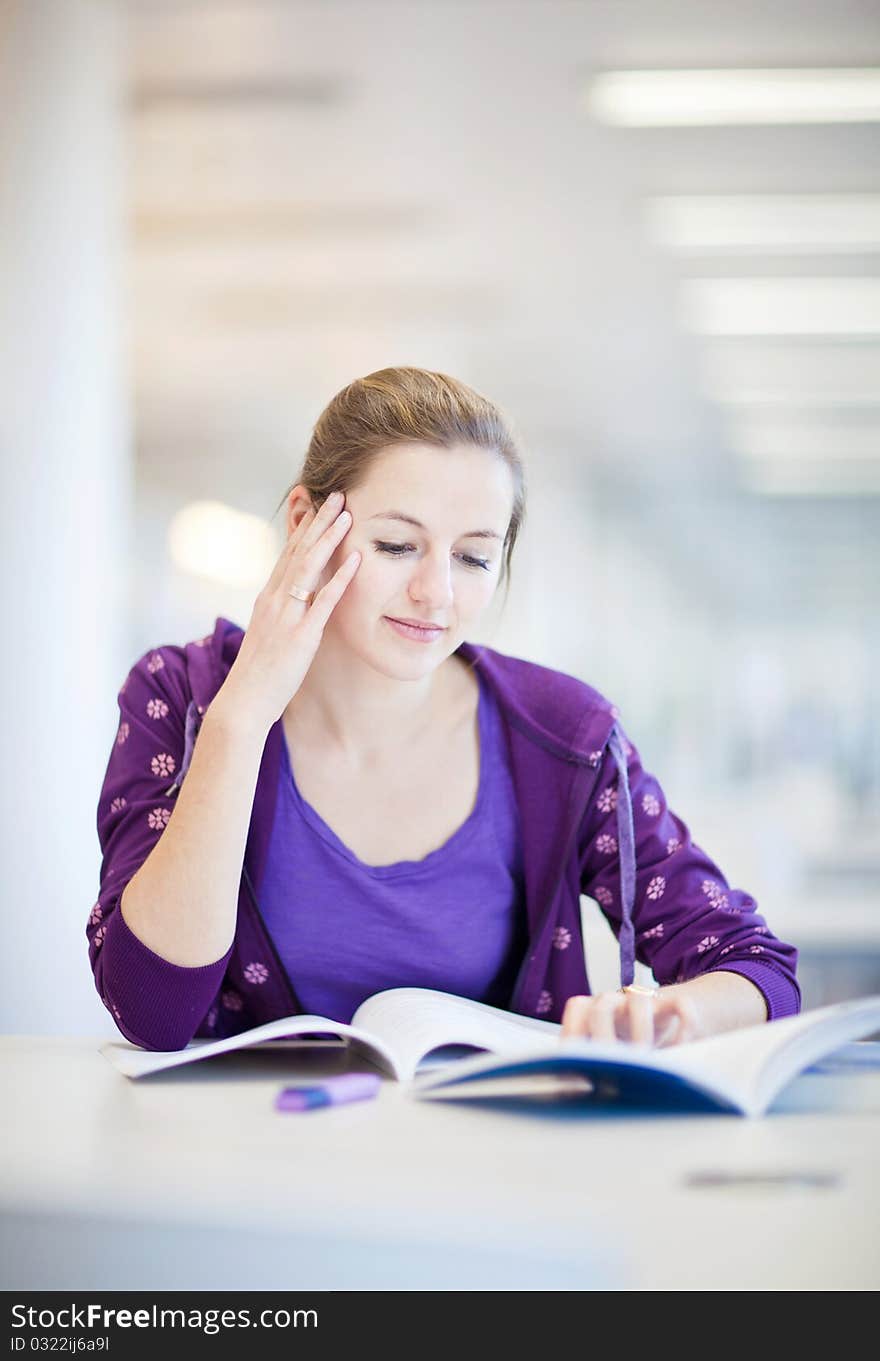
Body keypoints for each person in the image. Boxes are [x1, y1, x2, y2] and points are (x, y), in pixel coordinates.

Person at [88, 366, 799, 1053]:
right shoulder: (183, 696)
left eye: (474, 558)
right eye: (397, 545)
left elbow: (757, 966)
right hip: (237, 1165)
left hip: (483, 1168)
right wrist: (241, 718)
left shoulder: (564, 738)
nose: (437, 593)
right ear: (305, 521)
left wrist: (671, 1013)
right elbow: (152, 1009)